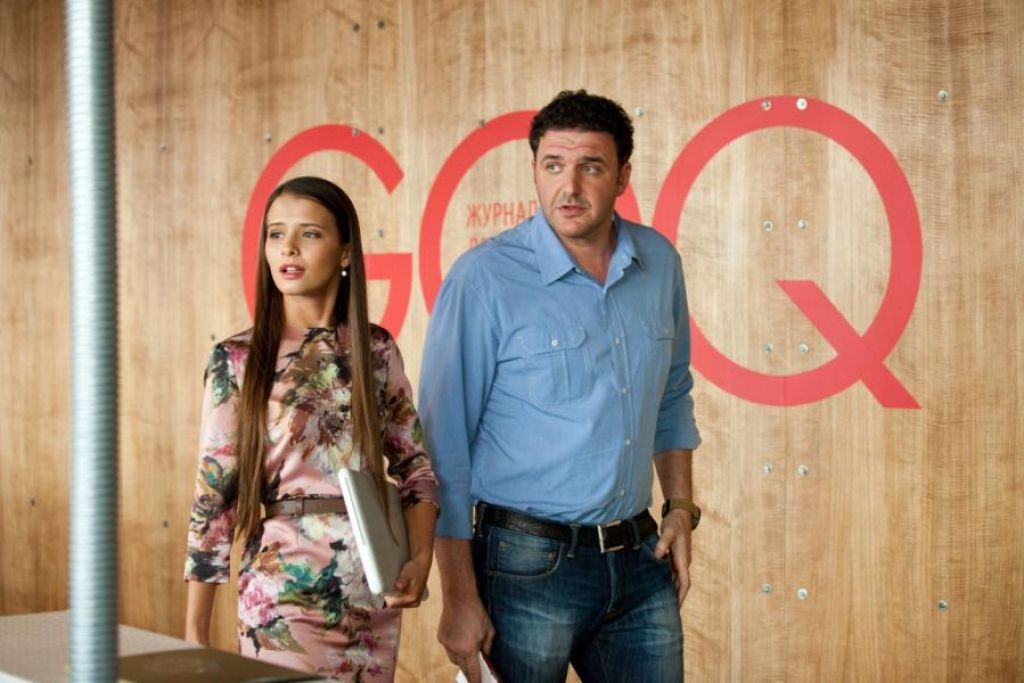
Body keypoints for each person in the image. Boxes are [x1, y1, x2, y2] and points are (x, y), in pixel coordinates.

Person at [419, 90, 702, 682]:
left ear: (622, 176)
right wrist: (459, 595)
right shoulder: (483, 280)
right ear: (534, 169)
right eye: (553, 165)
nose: (568, 187)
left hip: (639, 558)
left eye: (590, 167)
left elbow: (673, 396)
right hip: (525, 566)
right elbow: (444, 451)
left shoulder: (658, 262)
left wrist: (679, 506)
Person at [184, 176, 439, 682]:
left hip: (370, 591)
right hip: (283, 589)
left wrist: (421, 558)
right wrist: (194, 633)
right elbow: (214, 499)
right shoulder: (237, 359)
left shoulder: (375, 350)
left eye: (310, 234)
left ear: (345, 253)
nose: (289, 248)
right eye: (276, 234)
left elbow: (416, 469)